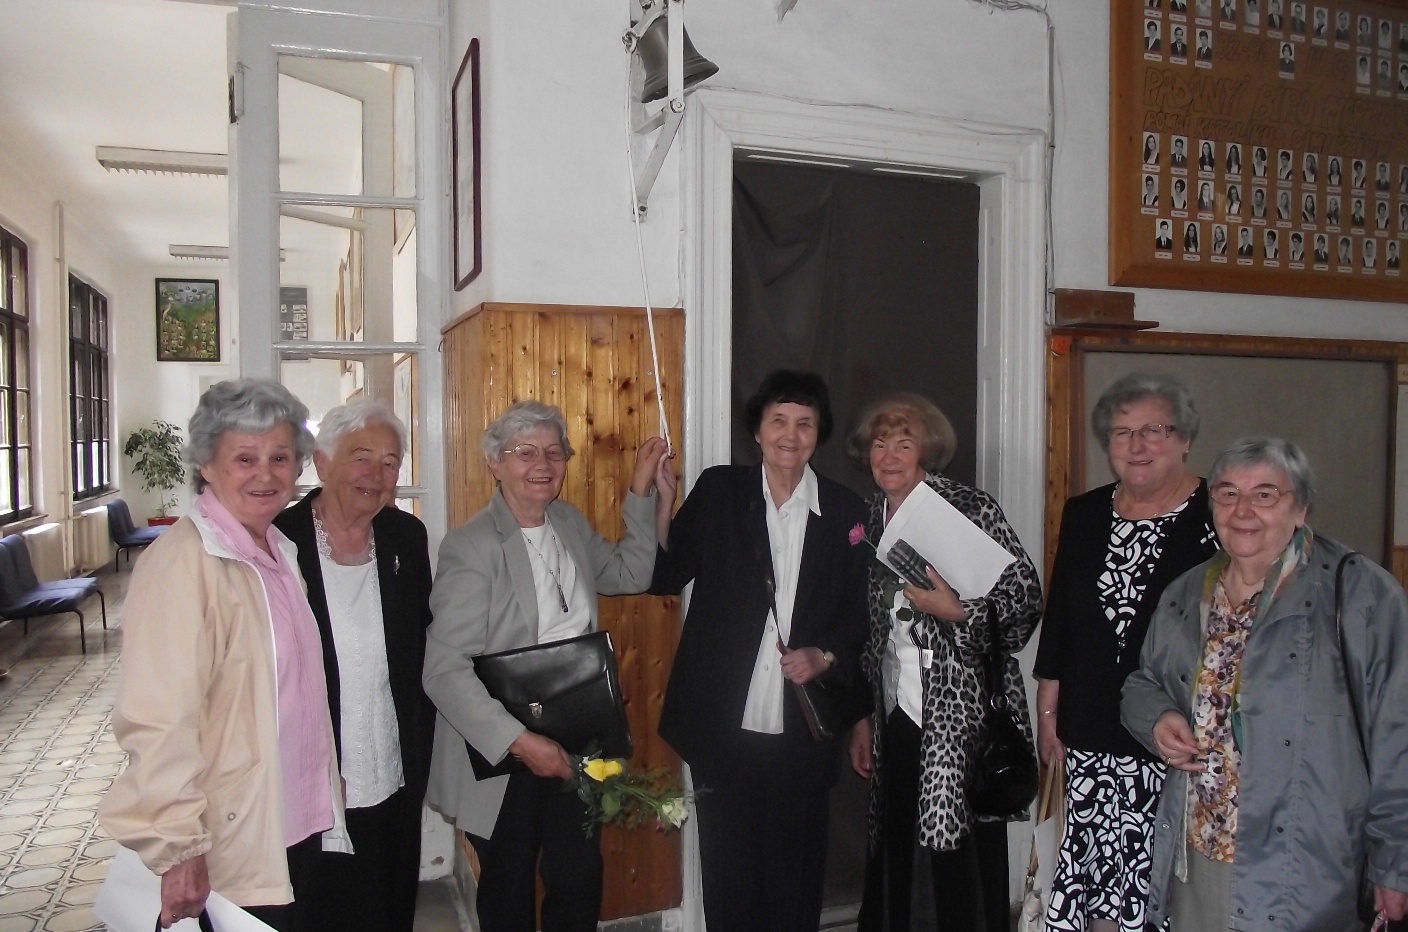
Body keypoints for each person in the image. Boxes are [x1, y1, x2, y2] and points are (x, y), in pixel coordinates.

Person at [1122, 437, 1408, 930]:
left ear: (1301, 509)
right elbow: (1142, 682)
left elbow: (1397, 737)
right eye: (1228, 493)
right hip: (1199, 858)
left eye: (1265, 494)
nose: (1243, 511)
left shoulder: (1361, 595)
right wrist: (1158, 719)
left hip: (1308, 870)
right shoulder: (1186, 594)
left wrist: (1394, 864)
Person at [100, 379, 346, 931]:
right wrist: (178, 846)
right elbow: (157, 721)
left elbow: (297, 693)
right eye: (245, 458)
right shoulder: (182, 564)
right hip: (227, 838)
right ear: (207, 465)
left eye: (280, 457)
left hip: (292, 822)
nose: (266, 474)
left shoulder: (277, 549)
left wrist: (324, 780)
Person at [423, 400, 672, 932]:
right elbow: (443, 671)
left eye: (554, 452)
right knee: (508, 893)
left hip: (577, 733)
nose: (543, 464)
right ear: (495, 464)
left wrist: (642, 493)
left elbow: (629, 573)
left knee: (577, 881)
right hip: (501, 748)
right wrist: (522, 742)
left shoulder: (567, 522)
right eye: (525, 452)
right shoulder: (471, 547)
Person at [650, 370, 869, 932]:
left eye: (804, 424)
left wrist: (825, 655)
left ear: (819, 435)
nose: (790, 435)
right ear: (757, 430)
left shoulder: (846, 511)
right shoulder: (721, 491)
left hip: (804, 727)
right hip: (723, 724)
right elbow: (667, 574)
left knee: (796, 877)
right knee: (729, 876)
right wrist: (663, 503)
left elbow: (861, 615)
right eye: (779, 421)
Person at [847, 393, 1042, 932]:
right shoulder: (867, 519)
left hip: (962, 715)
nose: (889, 456)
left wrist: (959, 612)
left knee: (957, 851)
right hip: (893, 711)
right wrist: (862, 715)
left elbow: (1025, 601)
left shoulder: (969, 508)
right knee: (898, 840)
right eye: (880, 444)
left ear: (926, 450)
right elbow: (863, 630)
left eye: (903, 444)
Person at [1035, 374, 1217, 932]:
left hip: (1174, 734)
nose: (1137, 445)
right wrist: (1048, 712)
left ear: (1185, 439)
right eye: (1122, 432)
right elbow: (1061, 619)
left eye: (1154, 430)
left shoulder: (1219, 514)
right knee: (1096, 882)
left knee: (1159, 887)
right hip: (1090, 729)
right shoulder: (1085, 512)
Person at [273, 398, 434, 932]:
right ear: (322, 462)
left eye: (390, 463)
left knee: (388, 903)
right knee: (320, 907)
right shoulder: (279, 542)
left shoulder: (406, 538)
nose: (376, 474)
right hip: (312, 776)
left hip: (392, 765)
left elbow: (419, 649)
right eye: (361, 457)